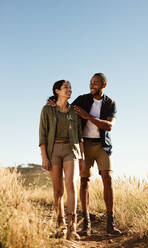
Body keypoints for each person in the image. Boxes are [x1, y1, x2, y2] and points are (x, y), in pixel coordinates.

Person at [48, 73, 121, 236]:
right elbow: (65, 107)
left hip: (103, 146)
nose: (92, 85)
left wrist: (87, 116)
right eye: (91, 83)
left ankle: (111, 223)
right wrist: (52, 101)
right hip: (84, 144)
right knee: (84, 181)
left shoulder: (110, 103)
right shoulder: (82, 99)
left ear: (104, 85)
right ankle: (86, 224)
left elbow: (109, 126)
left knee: (108, 179)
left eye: (95, 83)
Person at [39, 80, 85, 240]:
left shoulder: (74, 111)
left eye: (70, 87)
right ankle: (61, 226)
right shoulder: (47, 109)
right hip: (53, 151)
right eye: (66, 87)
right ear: (57, 91)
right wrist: (44, 156)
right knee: (58, 190)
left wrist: (82, 157)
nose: (69, 90)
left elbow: (79, 136)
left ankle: (73, 228)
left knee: (71, 185)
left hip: (71, 150)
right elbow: (42, 135)